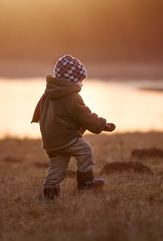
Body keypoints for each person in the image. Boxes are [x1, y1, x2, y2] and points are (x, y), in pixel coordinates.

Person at [32, 54, 116, 199]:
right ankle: (86, 182)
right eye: (79, 81)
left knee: (57, 166)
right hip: (66, 138)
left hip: (51, 141)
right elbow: (84, 116)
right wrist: (102, 125)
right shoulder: (71, 97)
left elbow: (39, 112)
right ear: (70, 81)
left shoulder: (47, 94)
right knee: (85, 151)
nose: (81, 85)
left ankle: (50, 192)